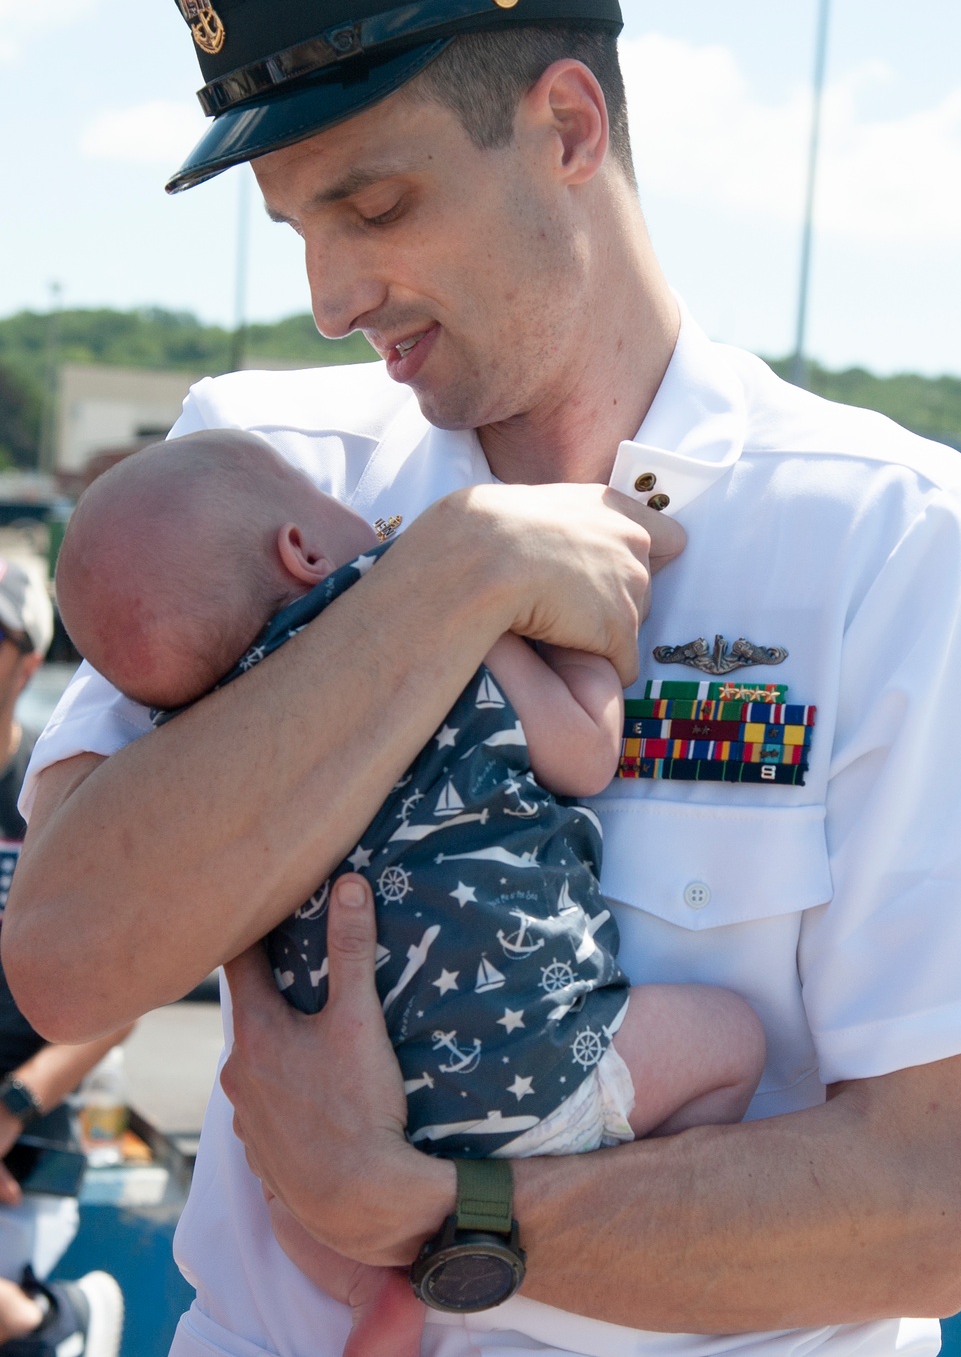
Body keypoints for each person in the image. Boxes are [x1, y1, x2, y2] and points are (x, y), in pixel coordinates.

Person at [4, 0, 961, 1356]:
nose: (333, 294)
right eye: (295, 226)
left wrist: (430, 1211)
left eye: (377, 202)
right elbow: (68, 951)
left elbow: (927, 1204)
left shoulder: (893, 540)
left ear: (568, 126)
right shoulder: (257, 470)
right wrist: (443, 580)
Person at [53, 429, 765, 1354]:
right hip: (540, 1076)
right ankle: (626, 1184)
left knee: (289, 1194)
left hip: (337, 1138)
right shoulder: (435, 608)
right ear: (302, 549)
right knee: (736, 1042)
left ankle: (372, 1293)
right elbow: (586, 755)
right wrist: (597, 643)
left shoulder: (206, 752)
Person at [0, 558, 126, 1356]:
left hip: (29, 1140)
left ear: (22, 659)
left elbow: (119, 999)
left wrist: (10, 1106)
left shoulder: (57, 792)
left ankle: (57, 1324)